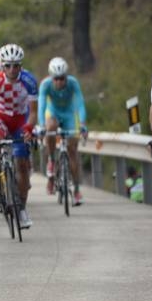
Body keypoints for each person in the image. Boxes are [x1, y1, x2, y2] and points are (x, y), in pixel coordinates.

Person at [0, 43, 38, 228]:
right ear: (2, 66)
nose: (12, 70)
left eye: (16, 65)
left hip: (21, 120)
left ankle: (22, 210)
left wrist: (29, 128)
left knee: (21, 165)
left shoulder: (29, 81)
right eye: (8, 65)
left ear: (21, 65)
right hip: (0, 117)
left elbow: (34, 112)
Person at [38, 56, 88, 205]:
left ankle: (77, 190)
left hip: (68, 115)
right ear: (51, 77)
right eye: (56, 79)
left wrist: (83, 124)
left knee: (73, 151)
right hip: (53, 113)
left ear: (66, 77)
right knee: (50, 127)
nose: (59, 82)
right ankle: (52, 161)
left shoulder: (73, 83)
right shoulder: (45, 85)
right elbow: (41, 106)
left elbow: (80, 104)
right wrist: (41, 126)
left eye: (61, 78)